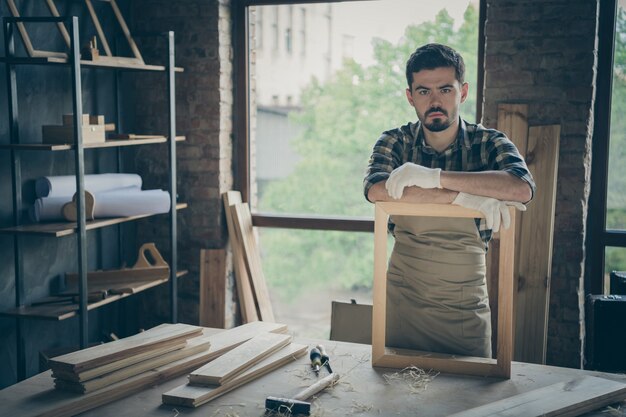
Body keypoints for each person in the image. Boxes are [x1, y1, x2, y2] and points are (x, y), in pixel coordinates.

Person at [363, 43, 535, 358]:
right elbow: (377, 190)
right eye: (424, 91)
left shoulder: (489, 143)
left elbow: (521, 187)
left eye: (445, 89)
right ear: (410, 96)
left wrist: (436, 177)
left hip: (465, 308)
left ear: (463, 92)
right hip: (403, 303)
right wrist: (464, 198)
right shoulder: (395, 142)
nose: (436, 100)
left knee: (469, 399)